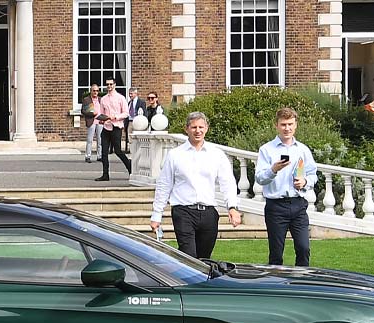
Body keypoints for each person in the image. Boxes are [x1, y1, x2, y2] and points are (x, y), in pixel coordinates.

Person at [149, 112, 242, 259]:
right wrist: (156, 214)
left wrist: (232, 207)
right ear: (187, 129)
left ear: (206, 128)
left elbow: (227, 182)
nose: (197, 131)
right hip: (183, 211)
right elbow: (164, 185)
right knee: (188, 255)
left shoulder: (216, 154)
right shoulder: (175, 155)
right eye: (193, 127)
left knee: (204, 259)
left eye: (201, 127)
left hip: (209, 212)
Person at [255, 106, 317, 266]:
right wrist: (273, 169)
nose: (287, 128)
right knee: (276, 252)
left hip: (298, 205)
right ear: (276, 125)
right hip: (276, 206)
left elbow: (313, 174)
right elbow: (260, 179)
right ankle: (276, 287)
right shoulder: (266, 150)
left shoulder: (303, 150)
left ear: (295, 125)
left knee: (303, 248)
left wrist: (305, 182)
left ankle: (301, 284)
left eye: (290, 124)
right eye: (283, 124)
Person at [95, 80, 131, 181]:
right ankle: (105, 174)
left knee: (118, 151)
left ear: (114, 85)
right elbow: (101, 112)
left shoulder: (120, 98)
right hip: (106, 127)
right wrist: (102, 119)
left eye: (111, 84)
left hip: (116, 126)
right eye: (107, 84)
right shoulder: (103, 99)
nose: (109, 86)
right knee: (104, 152)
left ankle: (130, 168)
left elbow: (126, 113)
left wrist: (115, 116)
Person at [81, 85, 101, 162]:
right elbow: (83, 111)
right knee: (90, 140)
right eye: (94, 90)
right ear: (91, 91)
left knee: (100, 140)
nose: (95, 92)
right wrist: (92, 114)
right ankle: (88, 156)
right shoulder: (87, 100)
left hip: (100, 121)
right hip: (91, 121)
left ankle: (100, 156)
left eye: (97, 91)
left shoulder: (101, 99)